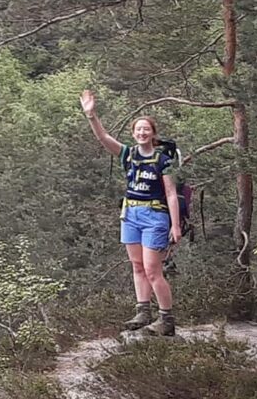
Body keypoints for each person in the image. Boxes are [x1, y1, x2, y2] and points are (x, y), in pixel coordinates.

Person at [80, 89, 182, 336]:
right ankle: (143, 311)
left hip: (155, 216)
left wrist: (175, 225)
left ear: (153, 134)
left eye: (146, 129)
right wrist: (91, 115)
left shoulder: (162, 160)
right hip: (131, 215)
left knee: (152, 269)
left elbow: (170, 193)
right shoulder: (128, 154)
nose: (142, 133)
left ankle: (166, 319)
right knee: (137, 265)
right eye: (138, 129)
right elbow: (103, 138)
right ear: (133, 133)